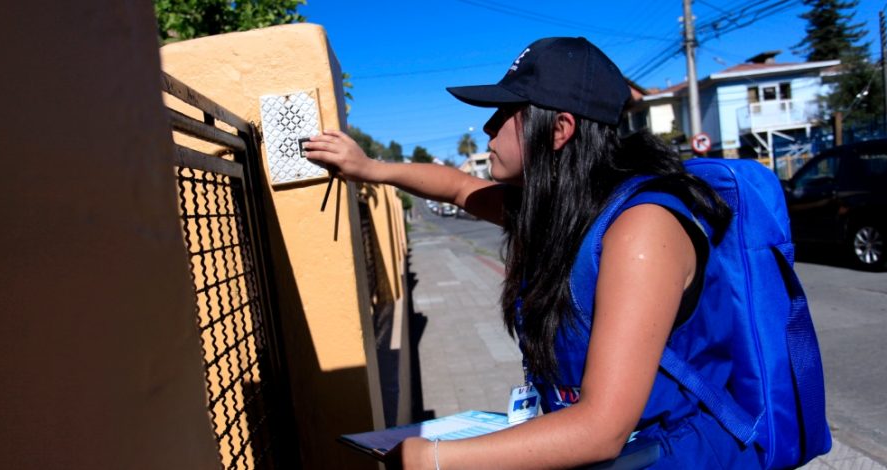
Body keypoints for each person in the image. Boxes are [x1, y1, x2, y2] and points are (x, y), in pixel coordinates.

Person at [304, 37, 762, 469]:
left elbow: (602, 427)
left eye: (505, 111)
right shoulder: (563, 210)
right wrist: (370, 168)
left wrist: (434, 458)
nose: (488, 127)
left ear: (560, 128)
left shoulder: (642, 229)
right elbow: (461, 187)